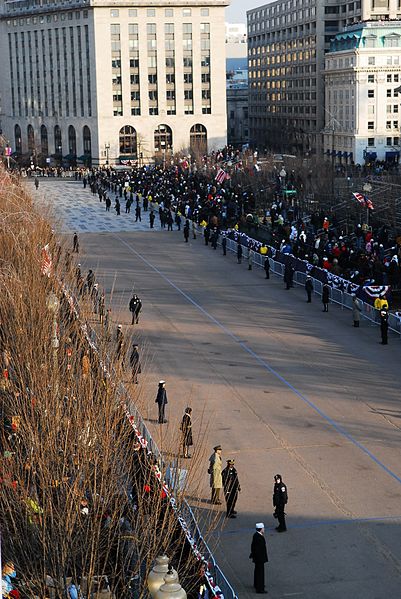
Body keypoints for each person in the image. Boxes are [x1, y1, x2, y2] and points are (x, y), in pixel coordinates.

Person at [249, 523, 268, 594]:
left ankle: (257, 584)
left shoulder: (255, 535)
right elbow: (258, 549)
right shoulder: (259, 538)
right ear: (261, 529)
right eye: (263, 528)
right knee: (260, 573)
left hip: (257, 558)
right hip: (260, 558)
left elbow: (253, 546)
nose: (264, 529)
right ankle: (260, 588)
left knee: (257, 571)